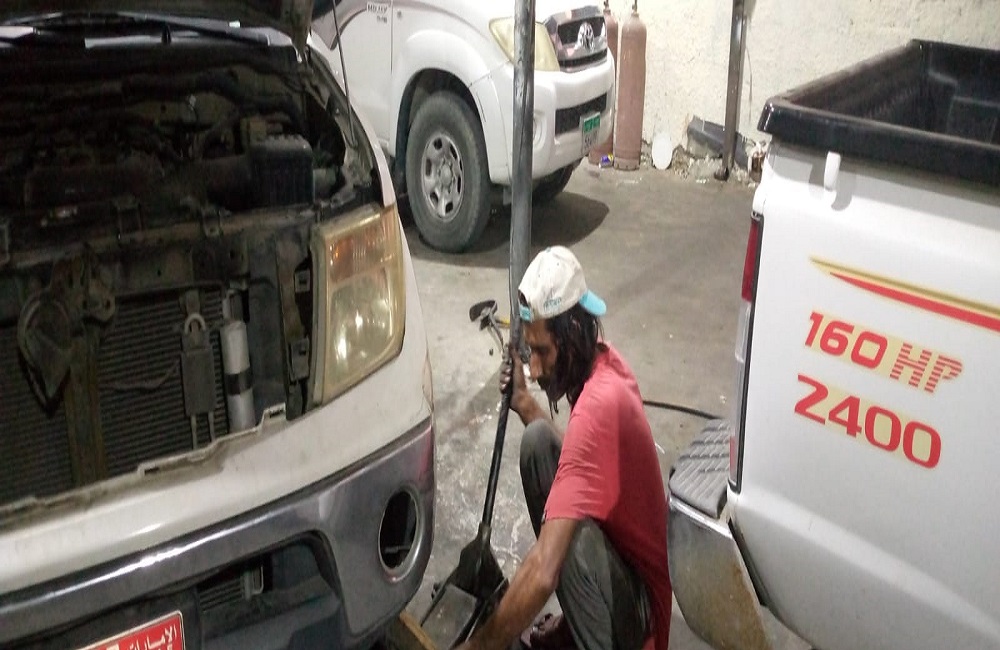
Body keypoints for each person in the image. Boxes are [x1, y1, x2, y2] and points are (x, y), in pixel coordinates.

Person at [457, 246, 671, 650]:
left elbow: (543, 571)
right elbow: (575, 458)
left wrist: (478, 647)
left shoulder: (599, 405)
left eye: (541, 352)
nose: (534, 369)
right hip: (621, 572)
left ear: (571, 336)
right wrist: (524, 402)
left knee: (564, 543)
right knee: (539, 442)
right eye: (530, 351)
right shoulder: (600, 362)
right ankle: (579, 626)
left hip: (643, 620)